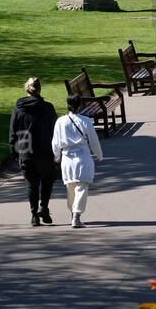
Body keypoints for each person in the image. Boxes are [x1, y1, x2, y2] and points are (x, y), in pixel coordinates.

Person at [9, 78, 59, 227]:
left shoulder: (19, 108)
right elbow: (55, 130)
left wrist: (14, 152)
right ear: (39, 89)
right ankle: (44, 206)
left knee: (31, 184)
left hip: (26, 150)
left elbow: (13, 131)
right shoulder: (48, 108)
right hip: (45, 150)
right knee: (47, 180)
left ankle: (34, 215)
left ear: (27, 89)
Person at [52, 93, 104, 228]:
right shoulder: (85, 121)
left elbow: (55, 142)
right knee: (82, 187)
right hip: (83, 157)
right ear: (80, 105)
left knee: (70, 188)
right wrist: (99, 155)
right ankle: (76, 215)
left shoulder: (60, 121)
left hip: (67, 158)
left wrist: (56, 157)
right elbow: (93, 140)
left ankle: (73, 213)